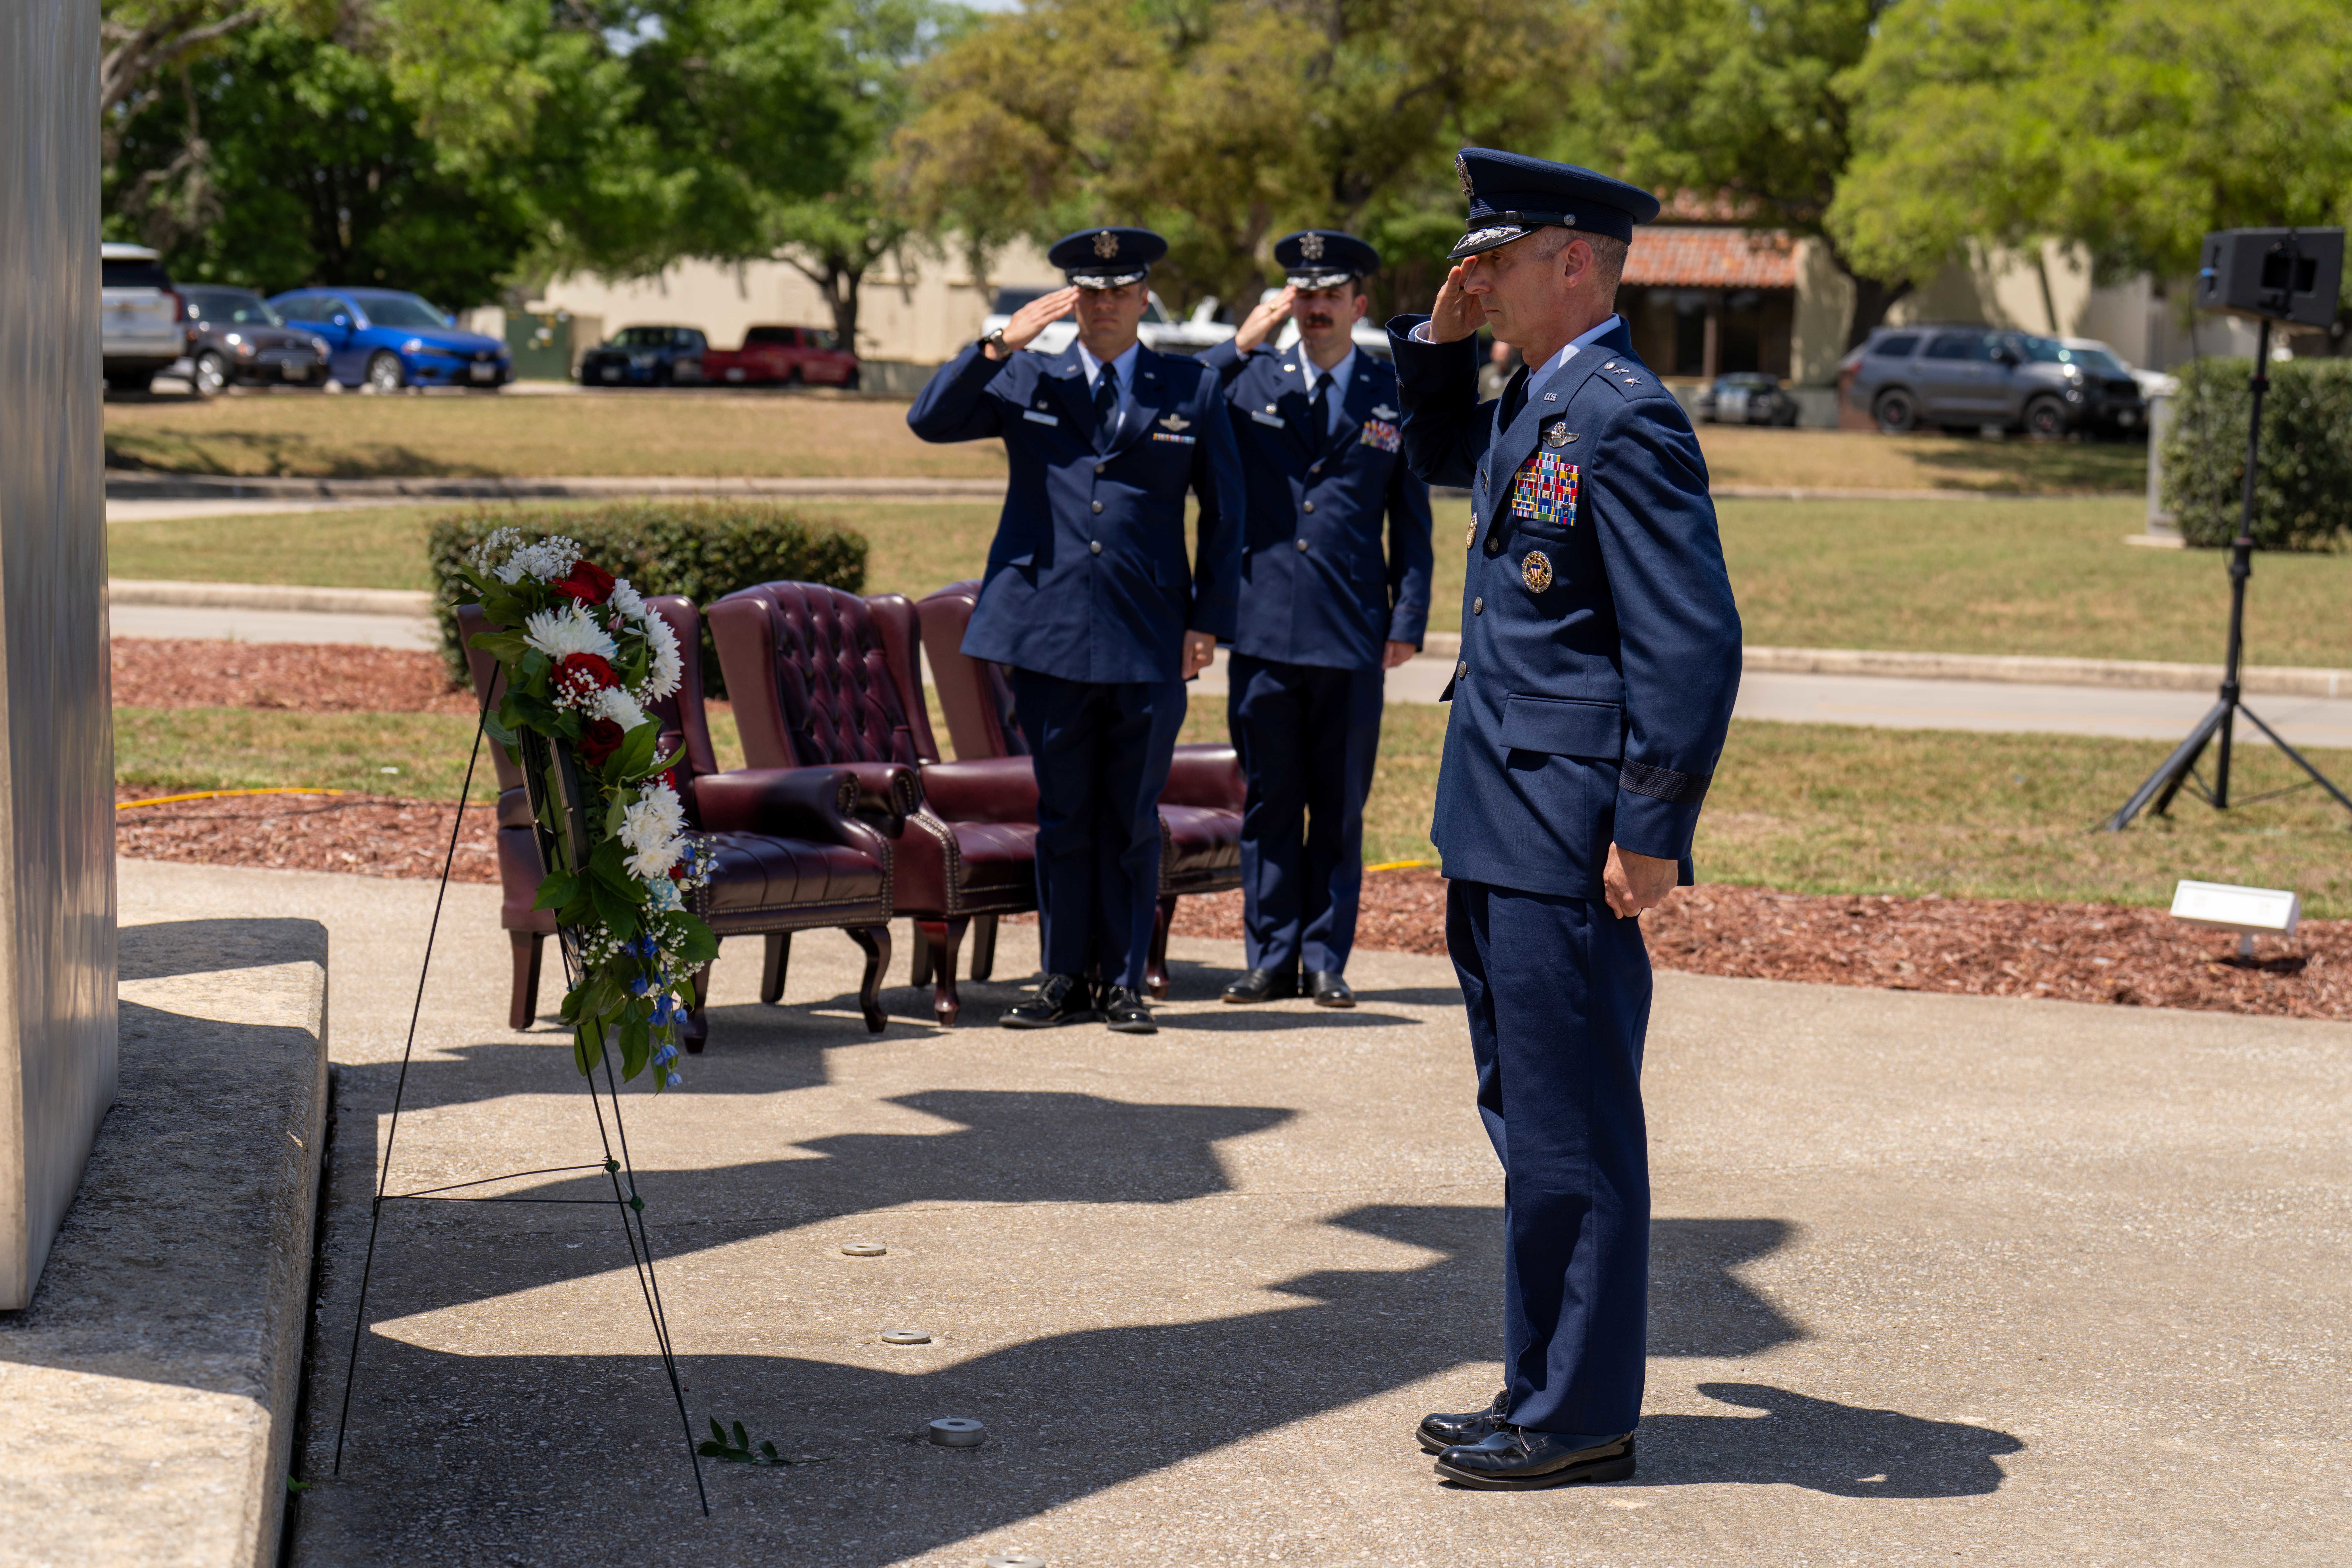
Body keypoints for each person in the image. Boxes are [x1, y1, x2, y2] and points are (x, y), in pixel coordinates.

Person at [1386, 149, 1742, 1489]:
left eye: (1500, 256)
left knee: (1573, 1125)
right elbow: (1422, 458)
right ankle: (1544, 1386)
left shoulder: (1622, 414)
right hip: (1500, 810)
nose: (1475, 276)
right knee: (1527, 1122)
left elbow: (1691, 642)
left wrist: (1646, 827)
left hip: (1567, 827)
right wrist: (1436, 336)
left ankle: (1581, 1410)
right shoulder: (1532, 397)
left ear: (1575, 261)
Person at [907, 227, 1244, 1034]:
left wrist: (1207, 622)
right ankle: (1062, 975)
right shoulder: (1028, 373)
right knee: (1062, 812)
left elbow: (1227, 515)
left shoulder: (1188, 387)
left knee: (1129, 814)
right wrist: (995, 343)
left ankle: (1122, 979)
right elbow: (929, 419)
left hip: (1147, 628)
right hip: (1047, 626)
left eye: (1118, 291)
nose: (1102, 306)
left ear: (1142, 298)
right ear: (1069, 300)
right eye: (1087, 293)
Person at [1197, 230, 1433, 1008]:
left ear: (1358, 305)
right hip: (1264, 623)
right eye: (1304, 295)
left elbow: (1412, 521)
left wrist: (1408, 616)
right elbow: (1187, 399)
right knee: (1268, 799)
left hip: (1351, 626)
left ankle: (1325, 957)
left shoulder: (1388, 392)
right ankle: (1268, 957)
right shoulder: (1250, 381)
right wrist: (1243, 340)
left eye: (1332, 295)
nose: (1318, 307)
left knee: (1336, 801)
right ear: (1287, 303)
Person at [1477, 337, 1520, 403]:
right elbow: (1478, 398)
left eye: (1505, 354)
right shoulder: (1485, 374)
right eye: (1499, 354)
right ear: (1492, 354)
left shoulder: (1518, 373)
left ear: (1511, 354)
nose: (1502, 358)